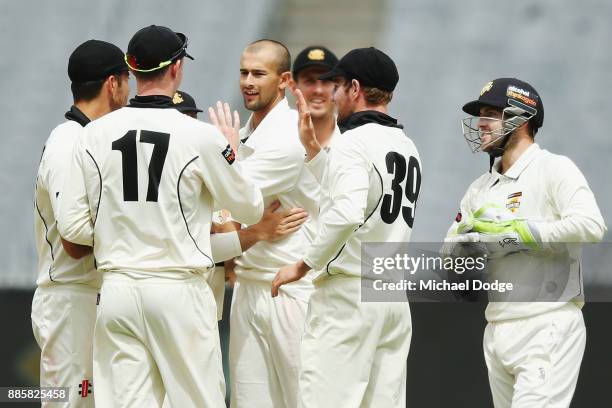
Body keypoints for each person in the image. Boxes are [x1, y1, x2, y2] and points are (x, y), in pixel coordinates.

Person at [58, 25, 264, 408]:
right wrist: (232, 152)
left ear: (132, 71)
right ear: (176, 69)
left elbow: (71, 227)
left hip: (117, 289)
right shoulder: (201, 135)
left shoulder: (92, 135)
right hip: (178, 290)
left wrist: (122, 231)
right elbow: (250, 208)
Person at [272, 47, 422, 408]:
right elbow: (362, 193)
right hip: (391, 296)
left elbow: (347, 212)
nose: (332, 94)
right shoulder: (407, 146)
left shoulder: (351, 142)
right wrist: (314, 151)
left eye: (336, 85)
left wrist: (302, 265)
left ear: (354, 88)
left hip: (348, 295)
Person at [447, 77, 606, 407]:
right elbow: (449, 252)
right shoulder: (479, 188)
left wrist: (525, 233)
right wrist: (465, 246)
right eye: (480, 115)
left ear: (522, 118)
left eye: (491, 113)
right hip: (497, 327)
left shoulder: (554, 169)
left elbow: (591, 225)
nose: (482, 124)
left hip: (547, 323)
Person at [212, 39, 320, 408]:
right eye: (243, 72)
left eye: (259, 73)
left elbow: (226, 197)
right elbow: (218, 208)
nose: (248, 81)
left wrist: (225, 159)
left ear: (285, 80)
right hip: (247, 287)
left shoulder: (288, 137)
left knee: (302, 400)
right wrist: (247, 230)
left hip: (289, 289)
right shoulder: (242, 136)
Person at [32, 39, 129, 407]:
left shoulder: (90, 137)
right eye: (126, 80)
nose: (129, 90)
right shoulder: (68, 141)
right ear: (112, 84)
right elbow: (73, 241)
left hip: (92, 296)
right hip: (70, 299)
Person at [291, 45, 339, 150]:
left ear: (338, 87)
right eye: (309, 81)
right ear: (293, 86)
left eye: (326, 81)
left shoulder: (352, 140)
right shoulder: (277, 135)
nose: (318, 90)